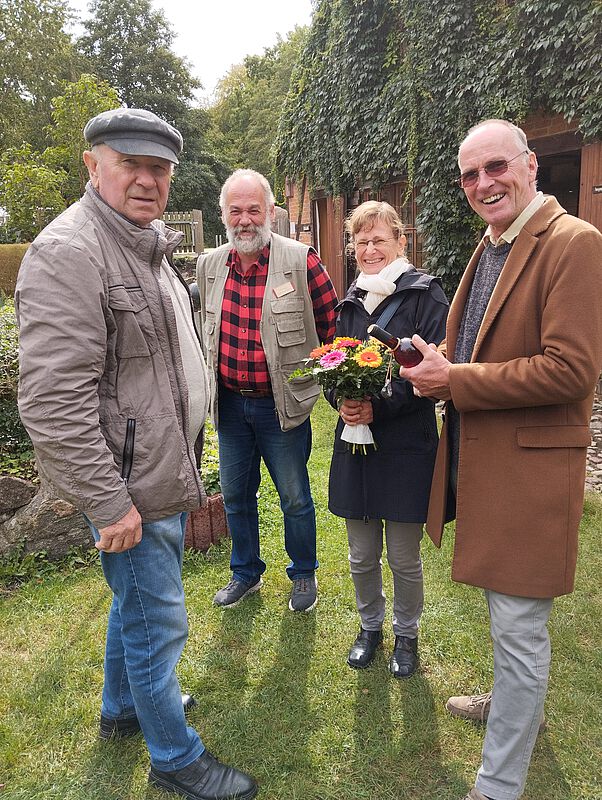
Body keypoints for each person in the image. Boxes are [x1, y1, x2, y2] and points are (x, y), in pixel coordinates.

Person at [15, 109, 257, 800]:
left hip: (155, 469)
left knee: (136, 607)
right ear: (93, 165)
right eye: (131, 164)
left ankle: (122, 709)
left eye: (159, 168)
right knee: (159, 622)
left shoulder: (139, 243)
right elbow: (52, 402)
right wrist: (107, 501)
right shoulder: (72, 252)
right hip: (131, 487)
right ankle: (175, 758)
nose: (148, 180)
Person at [399, 119, 602, 800]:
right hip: (489, 465)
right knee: (507, 615)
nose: (484, 183)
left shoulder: (574, 242)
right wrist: (441, 363)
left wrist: (455, 380)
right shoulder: (494, 243)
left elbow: (571, 370)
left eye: (496, 167)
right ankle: (517, 702)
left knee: (519, 625)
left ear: (531, 166)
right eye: (470, 174)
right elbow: (486, 348)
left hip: (531, 474)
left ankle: (497, 784)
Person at [196, 168, 337, 612]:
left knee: (294, 497)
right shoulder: (209, 266)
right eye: (235, 211)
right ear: (223, 215)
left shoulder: (301, 261)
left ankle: (304, 573)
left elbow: (332, 328)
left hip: (282, 407)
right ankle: (245, 573)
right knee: (236, 496)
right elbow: (206, 332)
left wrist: (323, 382)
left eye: (253, 210)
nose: (245, 220)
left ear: (271, 212)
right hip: (230, 407)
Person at [326, 201, 448, 677]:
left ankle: (407, 635)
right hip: (356, 444)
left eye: (379, 239)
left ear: (400, 241)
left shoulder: (425, 296)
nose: (370, 249)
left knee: (402, 555)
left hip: (406, 446)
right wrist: (341, 400)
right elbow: (332, 362)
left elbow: (433, 373)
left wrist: (381, 405)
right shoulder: (351, 301)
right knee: (361, 555)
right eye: (361, 242)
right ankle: (369, 628)